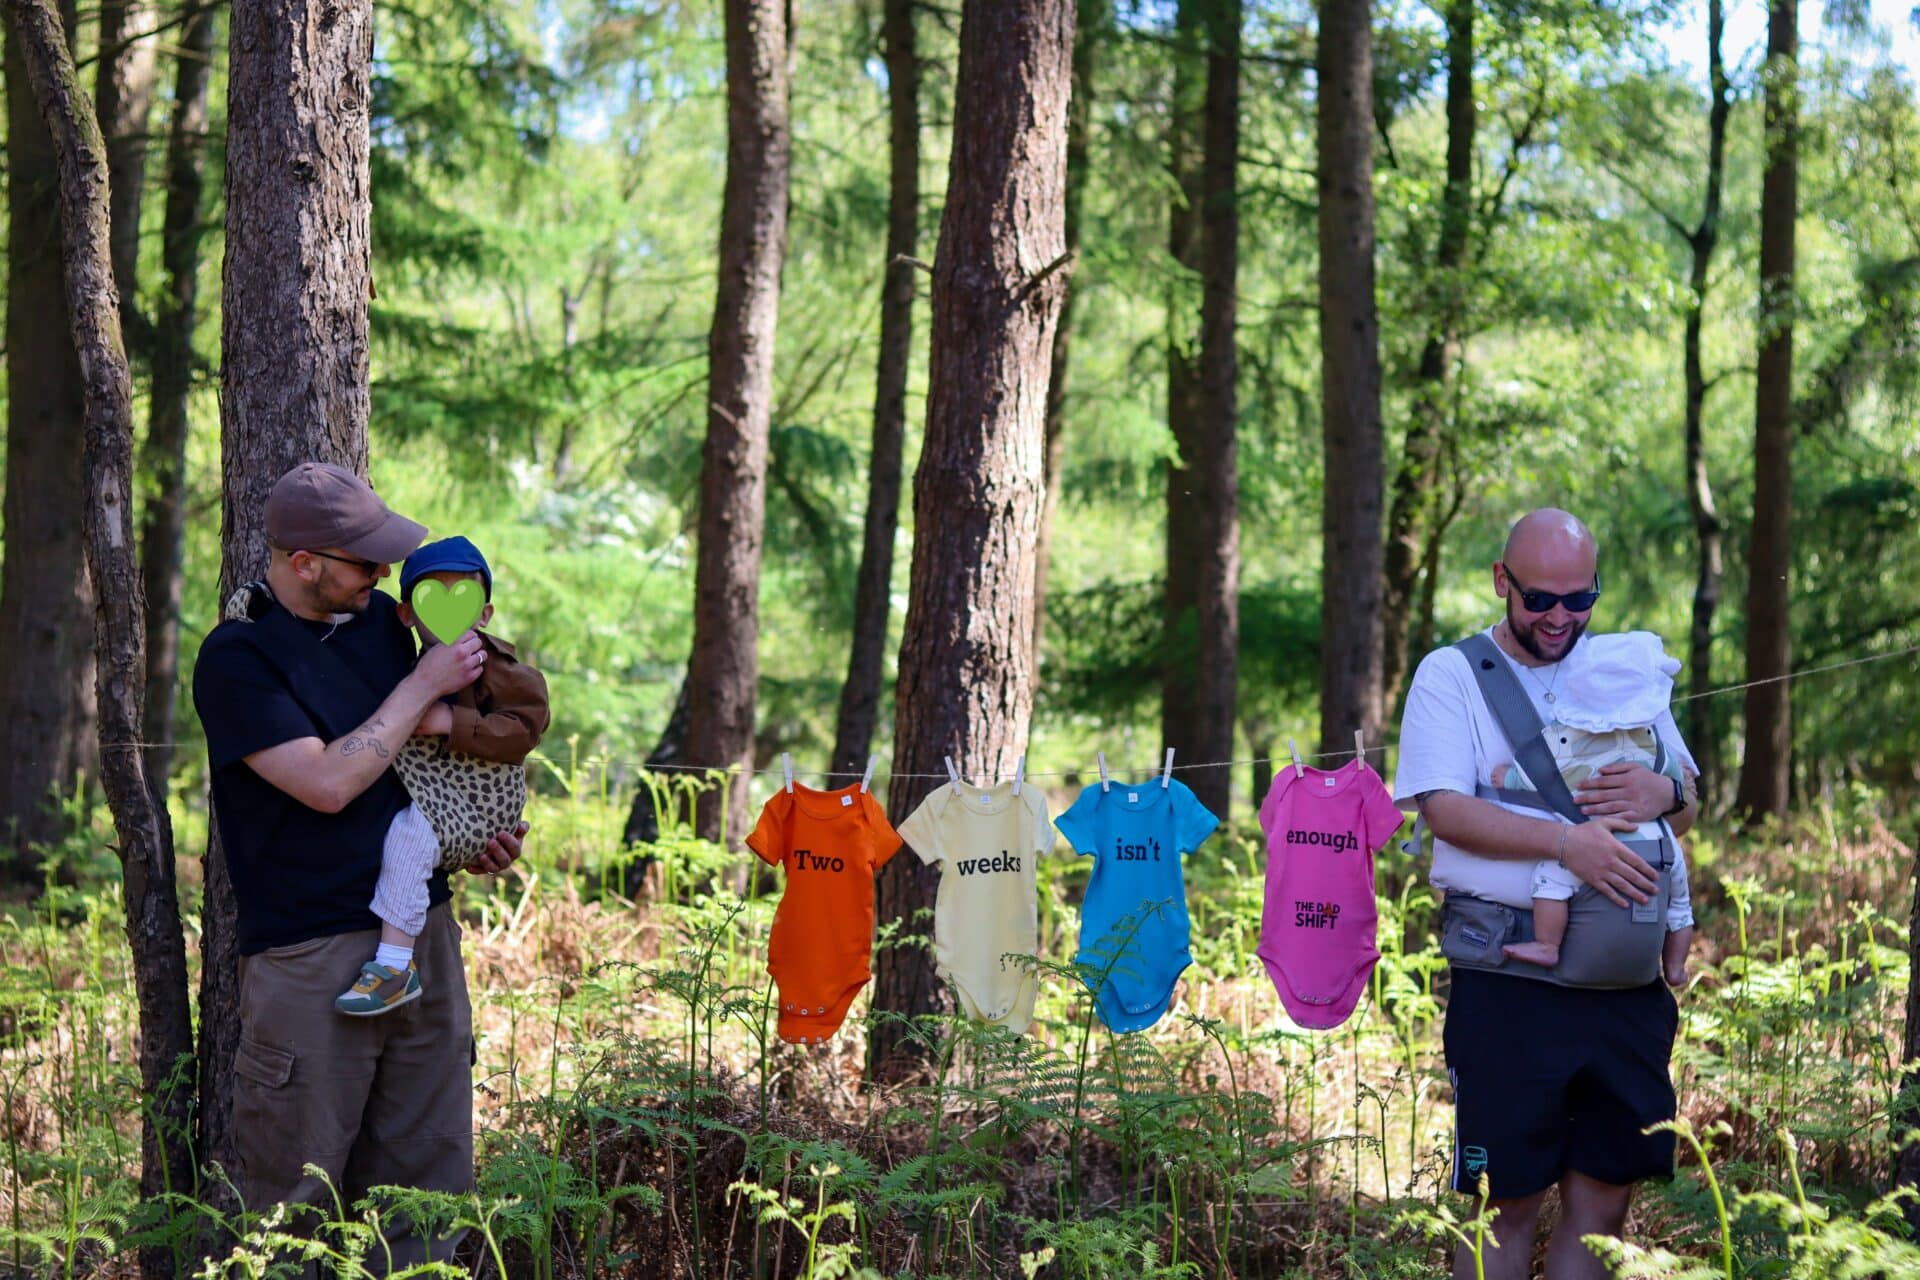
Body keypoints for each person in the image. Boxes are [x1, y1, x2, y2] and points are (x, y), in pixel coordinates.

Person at [192, 462, 528, 1268]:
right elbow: (330, 783)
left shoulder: (383, 624)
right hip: (311, 957)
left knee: (429, 1191)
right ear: (303, 562)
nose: (381, 576)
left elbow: (430, 761)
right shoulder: (239, 659)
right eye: (362, 562)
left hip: (424, 935)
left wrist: (469, 839)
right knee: (294, 1203)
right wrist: (420, 686)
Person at [1393, 508, 1699, 1280]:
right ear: (1503, 582)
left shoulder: (1623, 666)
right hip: (1509, 973)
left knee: (1604, 1201)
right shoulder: (1453, 674)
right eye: (1540, 600)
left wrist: (1664, 789)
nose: (1560, 618)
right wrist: (1568, 844)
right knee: (1508, 1201)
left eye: (1579, 599)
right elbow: (1442, 806)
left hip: (1626, 985)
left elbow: (1689, 798)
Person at [336, 536, 550, 1016]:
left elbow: (528, 726)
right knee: (408, 839)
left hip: (481, 795)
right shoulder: (408, 666)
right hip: (438, 791)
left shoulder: (493, 666)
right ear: (408, 615)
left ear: (485, 613)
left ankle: (393, 967)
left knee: (407, 840)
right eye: (434, 596)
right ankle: (394, 962)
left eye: (464, 596)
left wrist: (453, 722)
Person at [1492, 631, 1695, 987]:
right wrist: (1671, 791)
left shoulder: (1564, 741)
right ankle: (1675, 967)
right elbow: (1680, 781)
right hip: (1660, 845)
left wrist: (1505, 778)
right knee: (1679, 909)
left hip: (1593, 840)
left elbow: (1535, 776)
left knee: (1549, 880)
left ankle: (1547, 943)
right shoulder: (1653, 740)